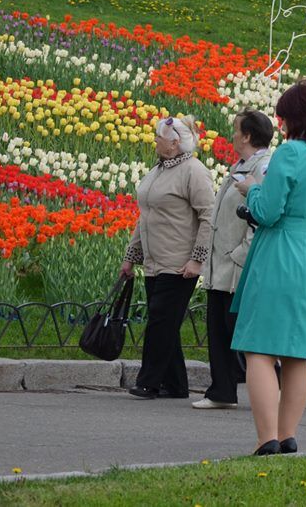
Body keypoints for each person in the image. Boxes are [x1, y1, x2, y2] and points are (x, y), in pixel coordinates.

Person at [231, 79, 306, 455]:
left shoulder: (289, 154)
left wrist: (252, 188)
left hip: (281, 253)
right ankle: (289, 433)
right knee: (297, 352)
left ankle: (267, 439)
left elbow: (267, 212)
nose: (280, 125)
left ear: (293, 119)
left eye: (283, 118)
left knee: (259, 348)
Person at [121, 116, 214, 400]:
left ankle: (149, 382)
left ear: (174, 143)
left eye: (159, 137)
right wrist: (131, 256)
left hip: (179, 264)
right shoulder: (160, 169)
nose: (155, 141)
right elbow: (146, 216)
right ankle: (176, 385)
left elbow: (209, 217)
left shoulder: (194, 171)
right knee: (166, 323)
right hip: (153, 262)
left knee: (160, 321)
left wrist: (197, 259)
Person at [192, 110, 274, 410]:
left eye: (236, 130)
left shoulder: (263, 168)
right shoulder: (242, 165)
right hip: (222, 263)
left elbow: (262, 214)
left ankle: (269, 382)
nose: (232, 135)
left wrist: (241, 255)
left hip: (237, 265)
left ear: (249, 135)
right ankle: (222, 390)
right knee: (220, 327)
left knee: (240, 329)